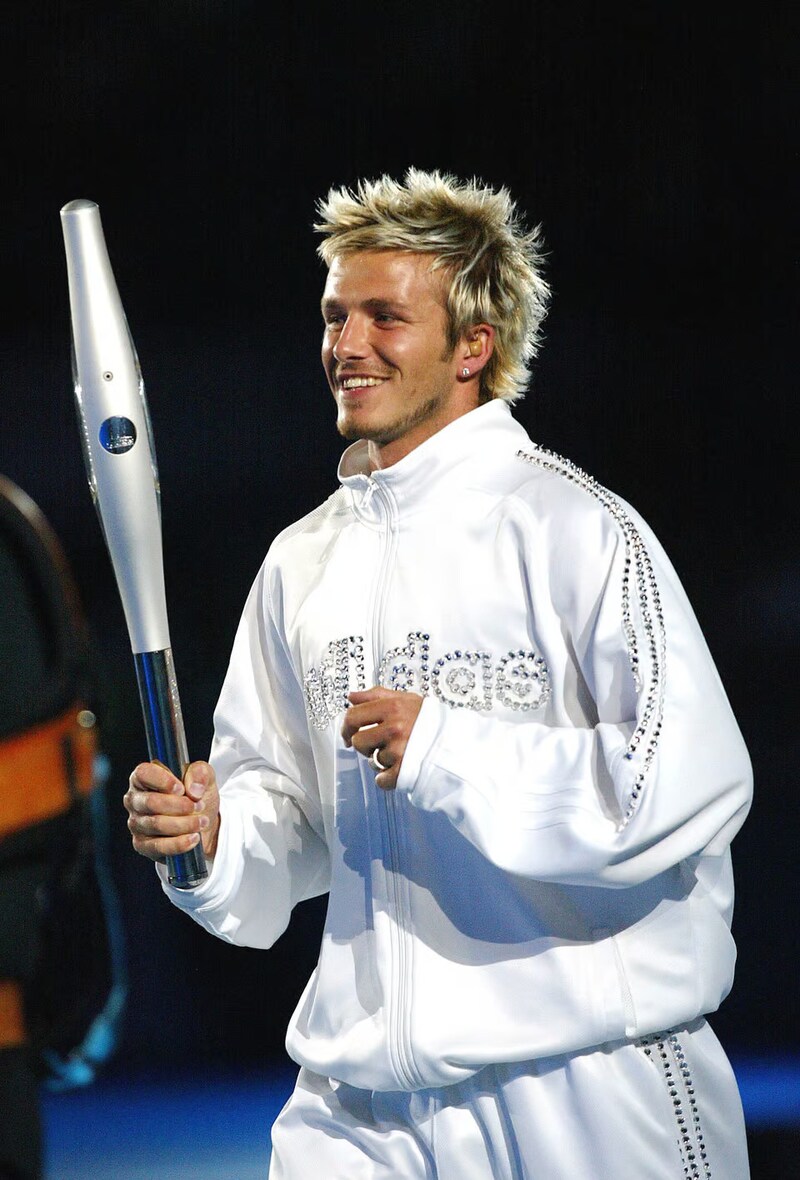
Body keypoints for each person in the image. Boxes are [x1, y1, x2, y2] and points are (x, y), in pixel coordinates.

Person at [125, 169, 753, 1178]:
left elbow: (678, 785)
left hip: (583, 1085)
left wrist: (449, 749)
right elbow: (282, 820)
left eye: (384, 316)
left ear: (474, 344)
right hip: (357, 1107)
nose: (345, 345)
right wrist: (211, 843)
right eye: (334, 315)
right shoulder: (299, 562)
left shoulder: (578, 530)